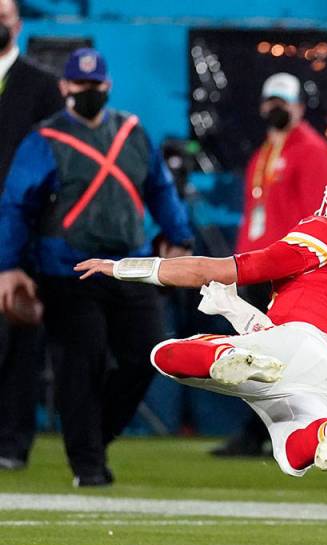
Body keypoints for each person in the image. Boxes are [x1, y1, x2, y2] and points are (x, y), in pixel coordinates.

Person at [74, 167, 327, 478]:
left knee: (164, 354)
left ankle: (232, 357)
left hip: (298, 345)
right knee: (293, 454)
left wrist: (125, 268)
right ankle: (324, 431)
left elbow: (222, 268)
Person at [0, 48, 193, 487]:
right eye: (80, 84)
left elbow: (161, 189)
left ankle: (93, 437)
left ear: (108, 86)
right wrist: (8, 266)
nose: (88, 91)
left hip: (130, 265)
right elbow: (16, 205)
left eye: (96, 84)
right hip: (67, 269)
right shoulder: (45, 138)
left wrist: (179, 238)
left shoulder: (131, 132)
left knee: (146, 358)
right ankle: (88, 466)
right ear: (65, 87)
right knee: (80, 363)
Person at [213, 72, 327, 457]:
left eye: (283, 101)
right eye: (271, 101)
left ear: (300, 106)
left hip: (287, 268)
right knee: (255, 356)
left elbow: (319, 217)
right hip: (257, 265)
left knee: (282, 358)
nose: (276, 108)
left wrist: (304, 269)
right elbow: (256, 213)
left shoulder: (313, 151)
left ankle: (286, 431)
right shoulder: (263, 153)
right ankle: (259, 432)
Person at [0, 0, 63, 471]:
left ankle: (12, 443)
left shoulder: (43, 87)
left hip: (20, 231)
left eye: (3, 13)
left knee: (19, 337)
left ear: (18, 24)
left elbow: (54, 166)